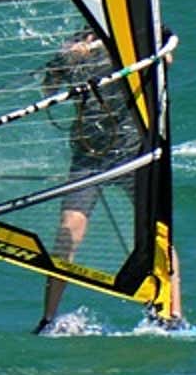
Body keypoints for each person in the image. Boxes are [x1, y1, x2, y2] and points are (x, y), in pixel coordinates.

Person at [33, 29, 183, 333]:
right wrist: (67, 59)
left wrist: (148, 50)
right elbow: (48, 90)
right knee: (69, 231)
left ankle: (171, 314)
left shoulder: (134, 34)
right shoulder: (75, 44)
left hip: (133, 153)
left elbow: (167, 50)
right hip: (89, 155)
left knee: (157, 231)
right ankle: (48, 319)